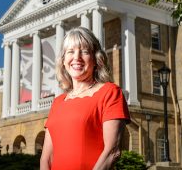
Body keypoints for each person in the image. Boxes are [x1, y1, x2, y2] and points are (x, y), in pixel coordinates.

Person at [40, 27, 130, 170]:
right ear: (63, 61)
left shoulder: (110, 93)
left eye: (85, 51)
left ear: (96, 59)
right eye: (70, 52)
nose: (77, 57)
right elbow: (46, 158)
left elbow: (112, 151)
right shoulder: (57, 103)